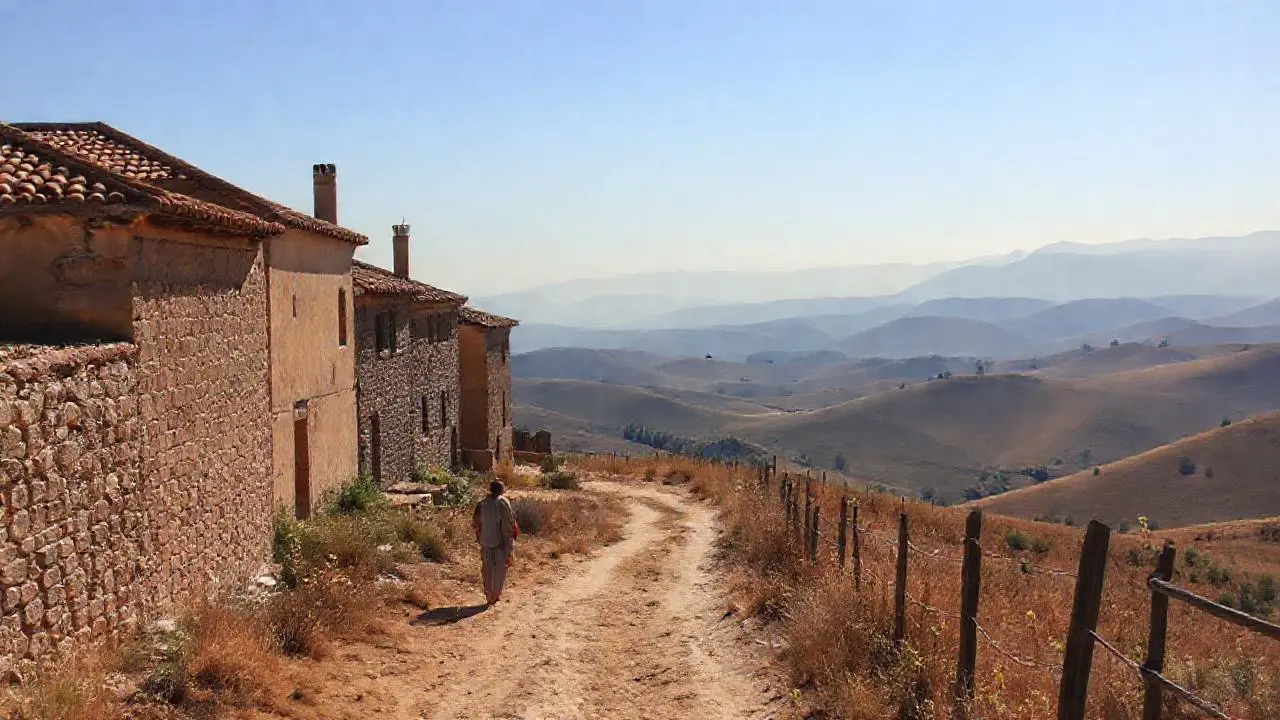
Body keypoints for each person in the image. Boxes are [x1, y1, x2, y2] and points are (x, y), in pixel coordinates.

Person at [472, 480, 519, 605]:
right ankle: (495, 595)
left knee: (487, 569)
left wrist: (480, 535)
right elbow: (508, 526)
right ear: (501, 490)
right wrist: (509, 546)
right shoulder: (503, 503)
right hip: (501, 543)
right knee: (500, 569)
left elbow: (475, 523)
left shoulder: (481, 504)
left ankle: (488, 595)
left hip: (485, 542)